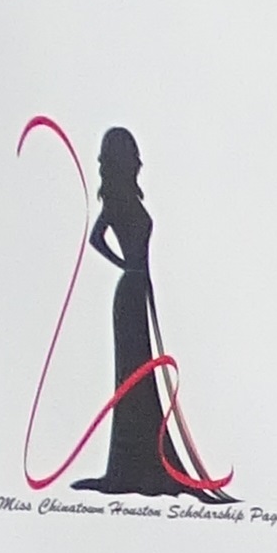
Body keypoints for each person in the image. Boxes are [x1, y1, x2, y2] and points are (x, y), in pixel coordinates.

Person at [74, 127, 180, 497]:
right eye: (133, 156)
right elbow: (95, 238)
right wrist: (126, 265)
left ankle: (144, 461)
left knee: (141, 374)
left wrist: (136, 272)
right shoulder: (118, 199)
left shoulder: (127, 197)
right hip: (130, 292)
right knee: (133, 375)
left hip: (137, 290)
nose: (139, 162)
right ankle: (130, 466)